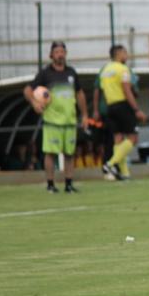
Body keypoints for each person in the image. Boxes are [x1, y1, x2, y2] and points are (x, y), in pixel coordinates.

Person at [23, 41, 89, 193]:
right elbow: (27, 90)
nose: (60, 54)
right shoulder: (45, 73)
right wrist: (34, 102)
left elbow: (79, 93)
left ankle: (68, 184)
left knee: (69, 154)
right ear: (51, 55)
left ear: (66, 54)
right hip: (52, 121)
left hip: (69, 120)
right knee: (51, 153)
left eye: (62, 52)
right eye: (57, 52)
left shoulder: (71, 72)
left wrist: (85, 114)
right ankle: (50, 184)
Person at [99, 44, 146, 180]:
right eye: (125, 53)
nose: (127, 55)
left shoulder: (105, 70)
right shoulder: (123, 69)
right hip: (123, 105)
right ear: (118, 54)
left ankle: (125, 173)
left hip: (110, 106)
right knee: (133, 138)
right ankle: (109, 164)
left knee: (118, 140)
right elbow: (127, 90)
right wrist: (136, 109)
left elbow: (102, 90)